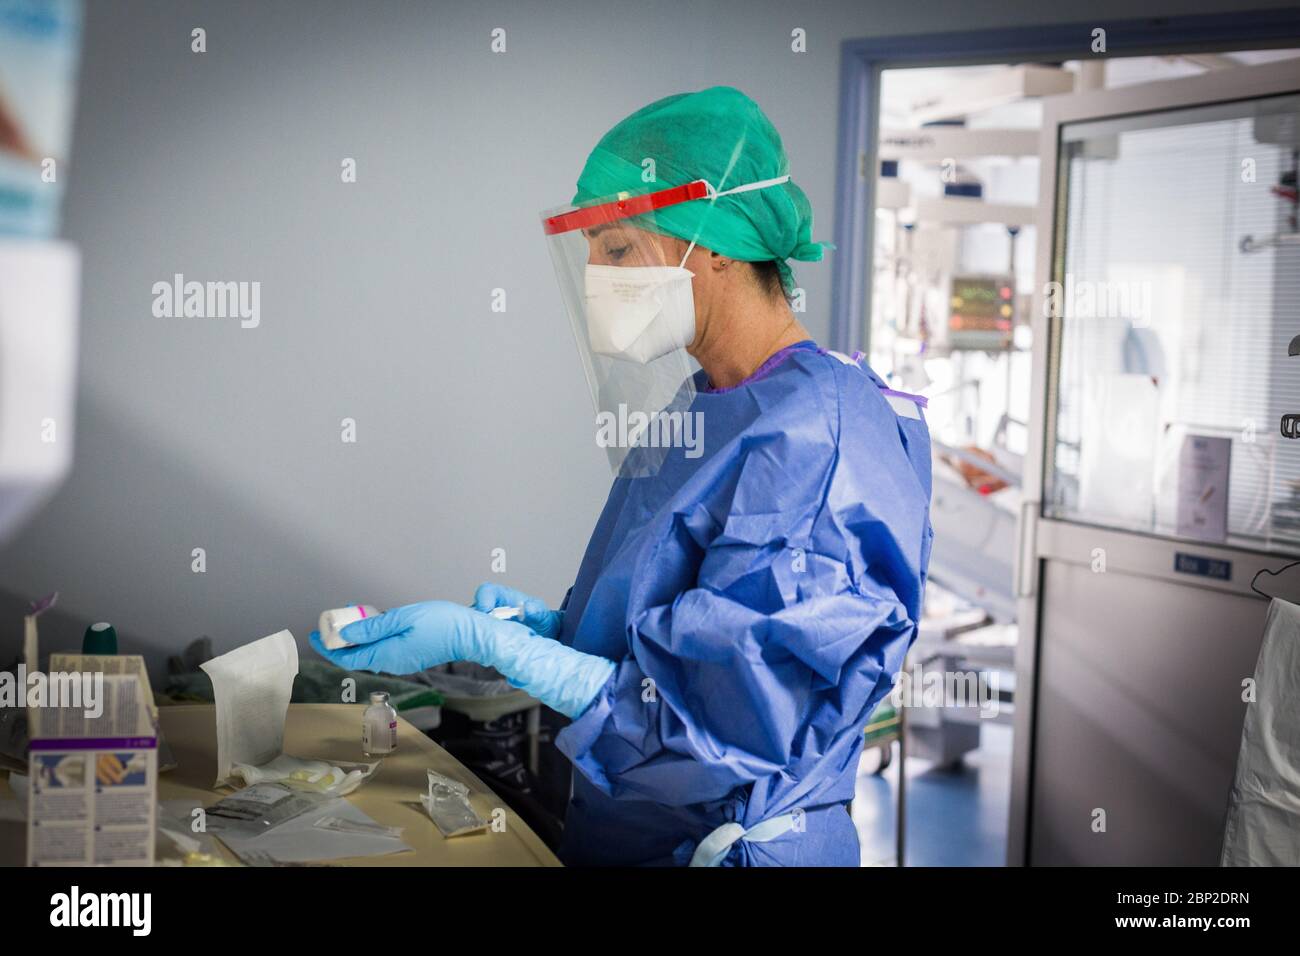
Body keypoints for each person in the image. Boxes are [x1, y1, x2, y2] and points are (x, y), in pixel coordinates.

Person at [313, 87, 934, 867]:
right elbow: (674, 629)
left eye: (616, 250)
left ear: (713, 242)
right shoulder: (710, 402)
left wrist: (498, 649)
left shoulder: (816, 439)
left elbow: (723, 729)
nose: (598, 281)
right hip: (635, 826)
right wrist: (549, 632)